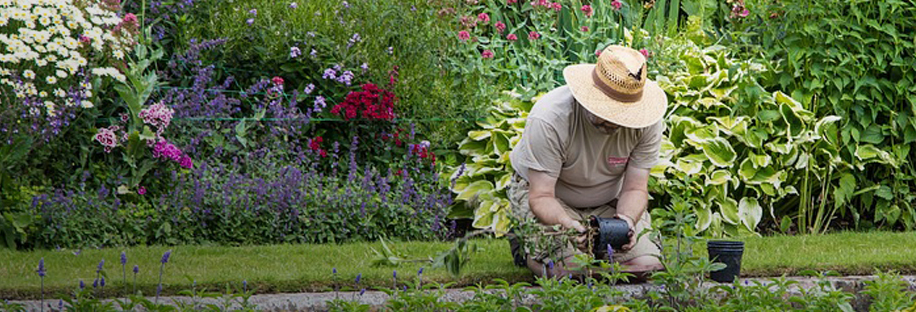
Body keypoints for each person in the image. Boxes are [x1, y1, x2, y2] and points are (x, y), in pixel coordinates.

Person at [507, 45, 667, 280]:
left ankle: (594, 257)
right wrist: (567, 224)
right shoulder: (551, 118)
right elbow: (541, 196)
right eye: (609, 111)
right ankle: (526, 247)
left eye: (623, 114)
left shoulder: (648, 122)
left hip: (608, 202)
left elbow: (635, 188)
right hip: (553, 202)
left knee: (648, 266)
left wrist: (626, 222)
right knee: (567, 272)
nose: (615, 122)